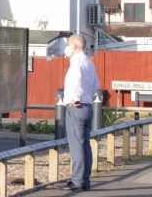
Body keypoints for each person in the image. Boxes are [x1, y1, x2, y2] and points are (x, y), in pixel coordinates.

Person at [62, 34, 100, 192]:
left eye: (69, 45)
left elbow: (77, 78)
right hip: (88, 106)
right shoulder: (89, 63)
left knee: (76, 144)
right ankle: (85, 181)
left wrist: (76, 97)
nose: (67, 48)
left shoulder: (76, 62)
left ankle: (76, 181)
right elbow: (96, 83)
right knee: (85, 145)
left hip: (76, 107)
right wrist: (86, 96)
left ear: (75, 47)